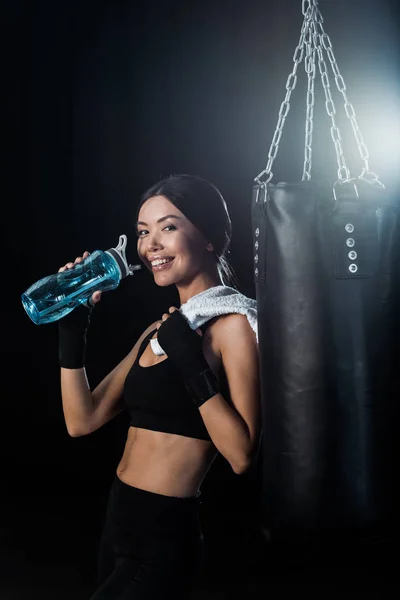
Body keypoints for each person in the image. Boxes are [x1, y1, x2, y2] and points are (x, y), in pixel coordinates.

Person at [58, 174, 261, 599]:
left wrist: (189, 361)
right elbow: (83, 420)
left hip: (164, 535)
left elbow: (241, 455)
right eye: (143, 232)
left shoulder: (233, 326)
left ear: (208, 237)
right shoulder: (161, 329)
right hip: (118, 522)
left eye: (168, 227)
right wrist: (73, 334)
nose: (150, 244)